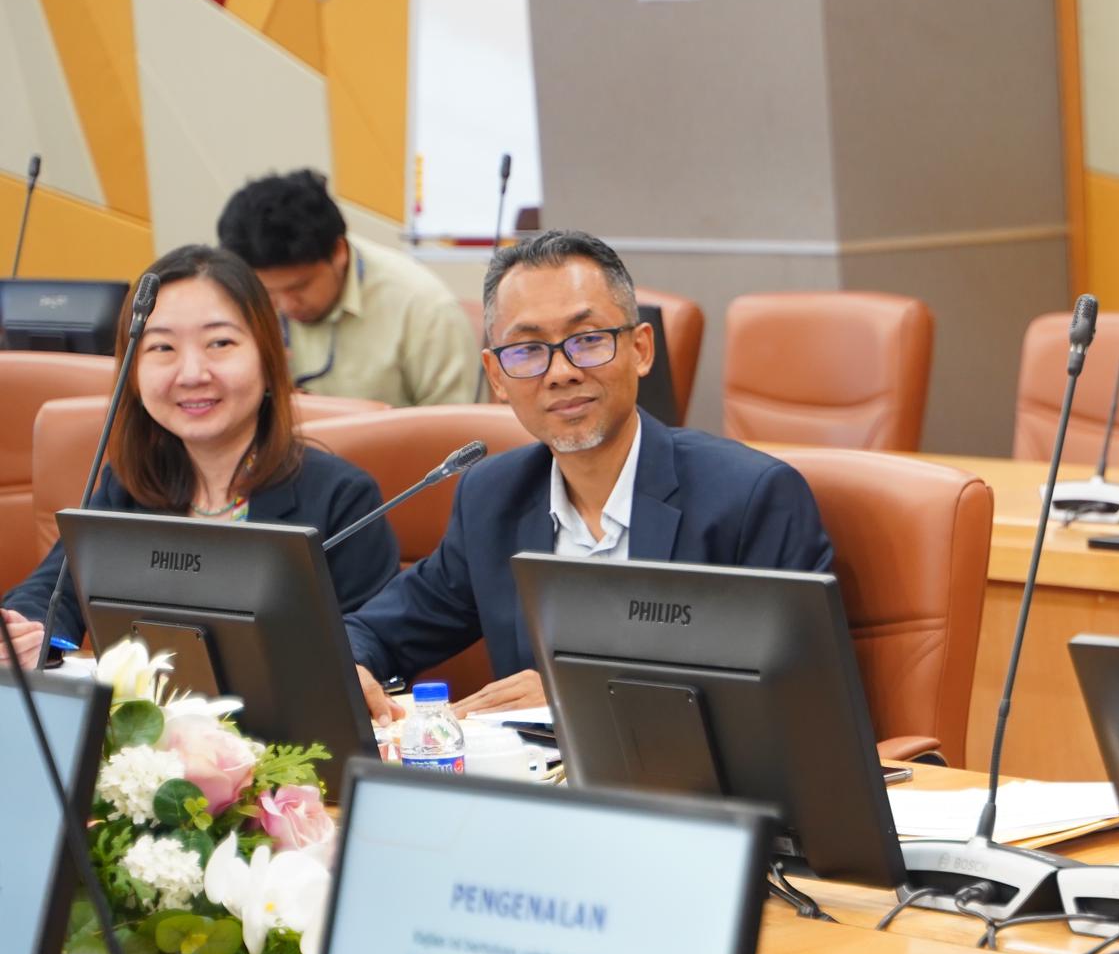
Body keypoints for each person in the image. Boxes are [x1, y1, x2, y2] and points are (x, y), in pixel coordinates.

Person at [344, 230, 831, 716]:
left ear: (641, 349)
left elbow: (794, 692)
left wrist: (577, 696)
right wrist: (354, 665)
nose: (561, 372)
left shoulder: (750, 498)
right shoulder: (493, 498)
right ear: (496, 377)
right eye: (528, 350)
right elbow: (374, 631)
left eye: (589, 340)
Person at [3, 246, 399, 667]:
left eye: (219, 343)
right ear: (132, 373)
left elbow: (372, 644)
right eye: (162, 348)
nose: (192, 374)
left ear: (269, 357)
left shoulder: (342, 497)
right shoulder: (128, 487)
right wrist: (27, 632)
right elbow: (51, 594)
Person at [217, 169, 479, 407]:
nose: (286, 305)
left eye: (300, 287)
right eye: (269, 292)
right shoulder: (232, 293)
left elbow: (457, 433)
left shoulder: (425, 310)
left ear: (339, 252)